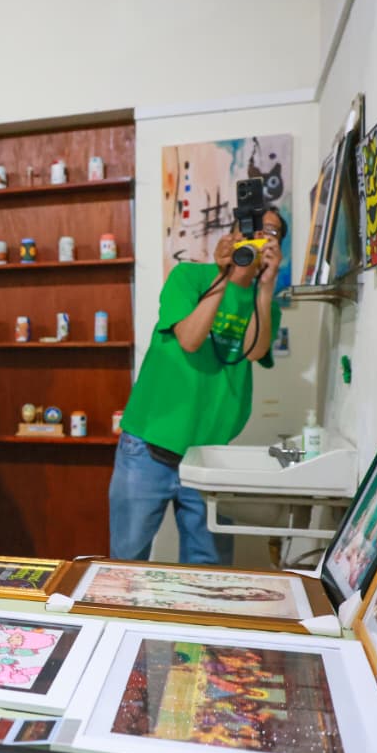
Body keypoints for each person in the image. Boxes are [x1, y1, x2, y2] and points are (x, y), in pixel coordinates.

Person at [109, 208, 285, 565]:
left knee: (209, 574)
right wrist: (223, 277)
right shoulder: (188, 276)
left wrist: (264, 289)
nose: (262, 236)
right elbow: (190, 339)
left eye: (273, 233)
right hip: (147, 448)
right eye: (254, 229)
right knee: (125, 564)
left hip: (209, 458)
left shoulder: (263, 303)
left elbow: (256, 350)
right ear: (234, 234)